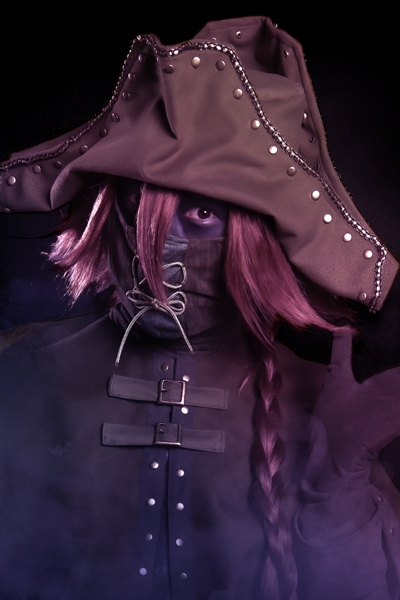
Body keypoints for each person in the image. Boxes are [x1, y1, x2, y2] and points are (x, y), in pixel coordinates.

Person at [0, 15, 399, 600]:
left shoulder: (320, 401)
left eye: (203, 214)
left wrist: (338, 474)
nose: (159, 245)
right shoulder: (20, 374)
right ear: (106, 214)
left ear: (257, 239)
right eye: (139, 207)